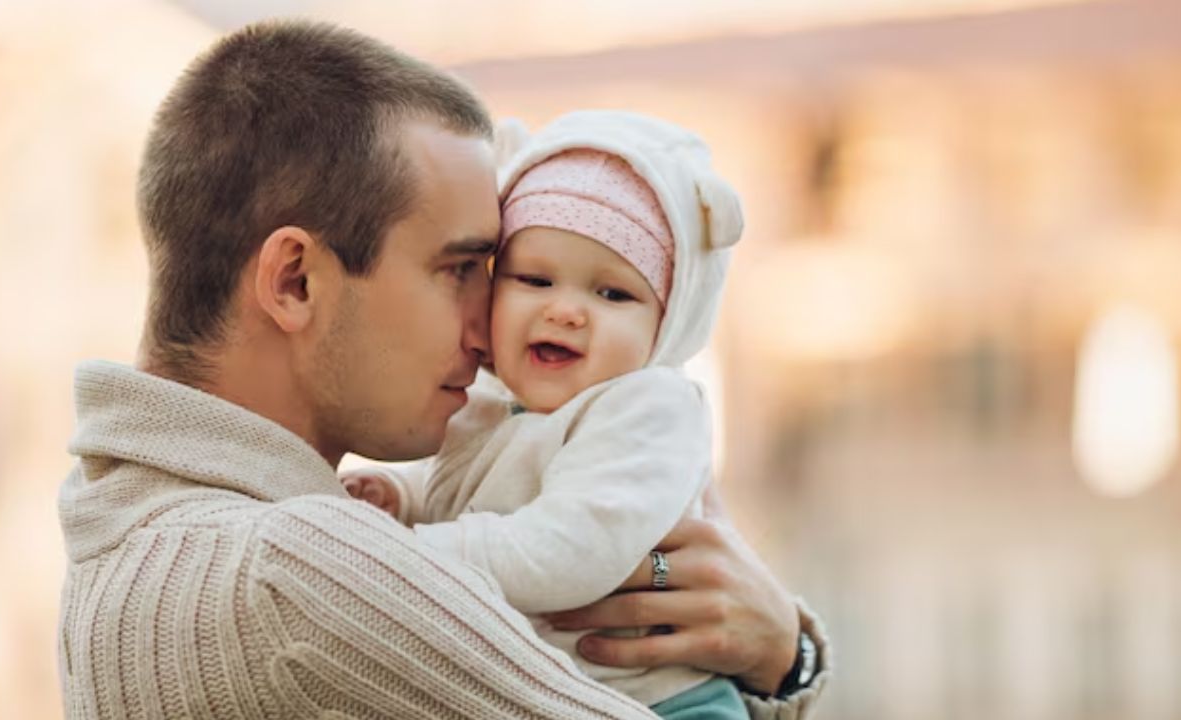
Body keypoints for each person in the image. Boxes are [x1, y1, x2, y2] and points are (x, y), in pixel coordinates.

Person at [56, 19, 829, 719]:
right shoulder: (295, 571)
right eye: (460, 268)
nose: (490, 323)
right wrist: (786, 660)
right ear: (295, 281)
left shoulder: (124, 534)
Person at [341, 110, 808, 718]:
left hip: (668, 703)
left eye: (612, 294)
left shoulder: (647, 407)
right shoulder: (494, 406)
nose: (566, 311)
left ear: (666, 325)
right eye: (534, 279)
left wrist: (408, 548)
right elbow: (474, 493)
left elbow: (571, 549)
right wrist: (402, 495)